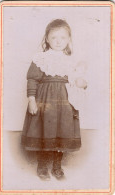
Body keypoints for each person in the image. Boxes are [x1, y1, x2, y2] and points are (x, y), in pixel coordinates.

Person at [21, 19, 87, 180]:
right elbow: (32, 80)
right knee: (45, 131)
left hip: (65, 103)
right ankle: (42, 166)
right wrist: (31, 100)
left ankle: (57, 167)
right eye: (54, 37)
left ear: (69, 39)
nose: (58, 41)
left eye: (63, 38)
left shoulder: (72, 60)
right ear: (47, 39)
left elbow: (77, 80)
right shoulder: (40, 58)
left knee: (62, 131)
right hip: (45, 102)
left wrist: (82, 83)